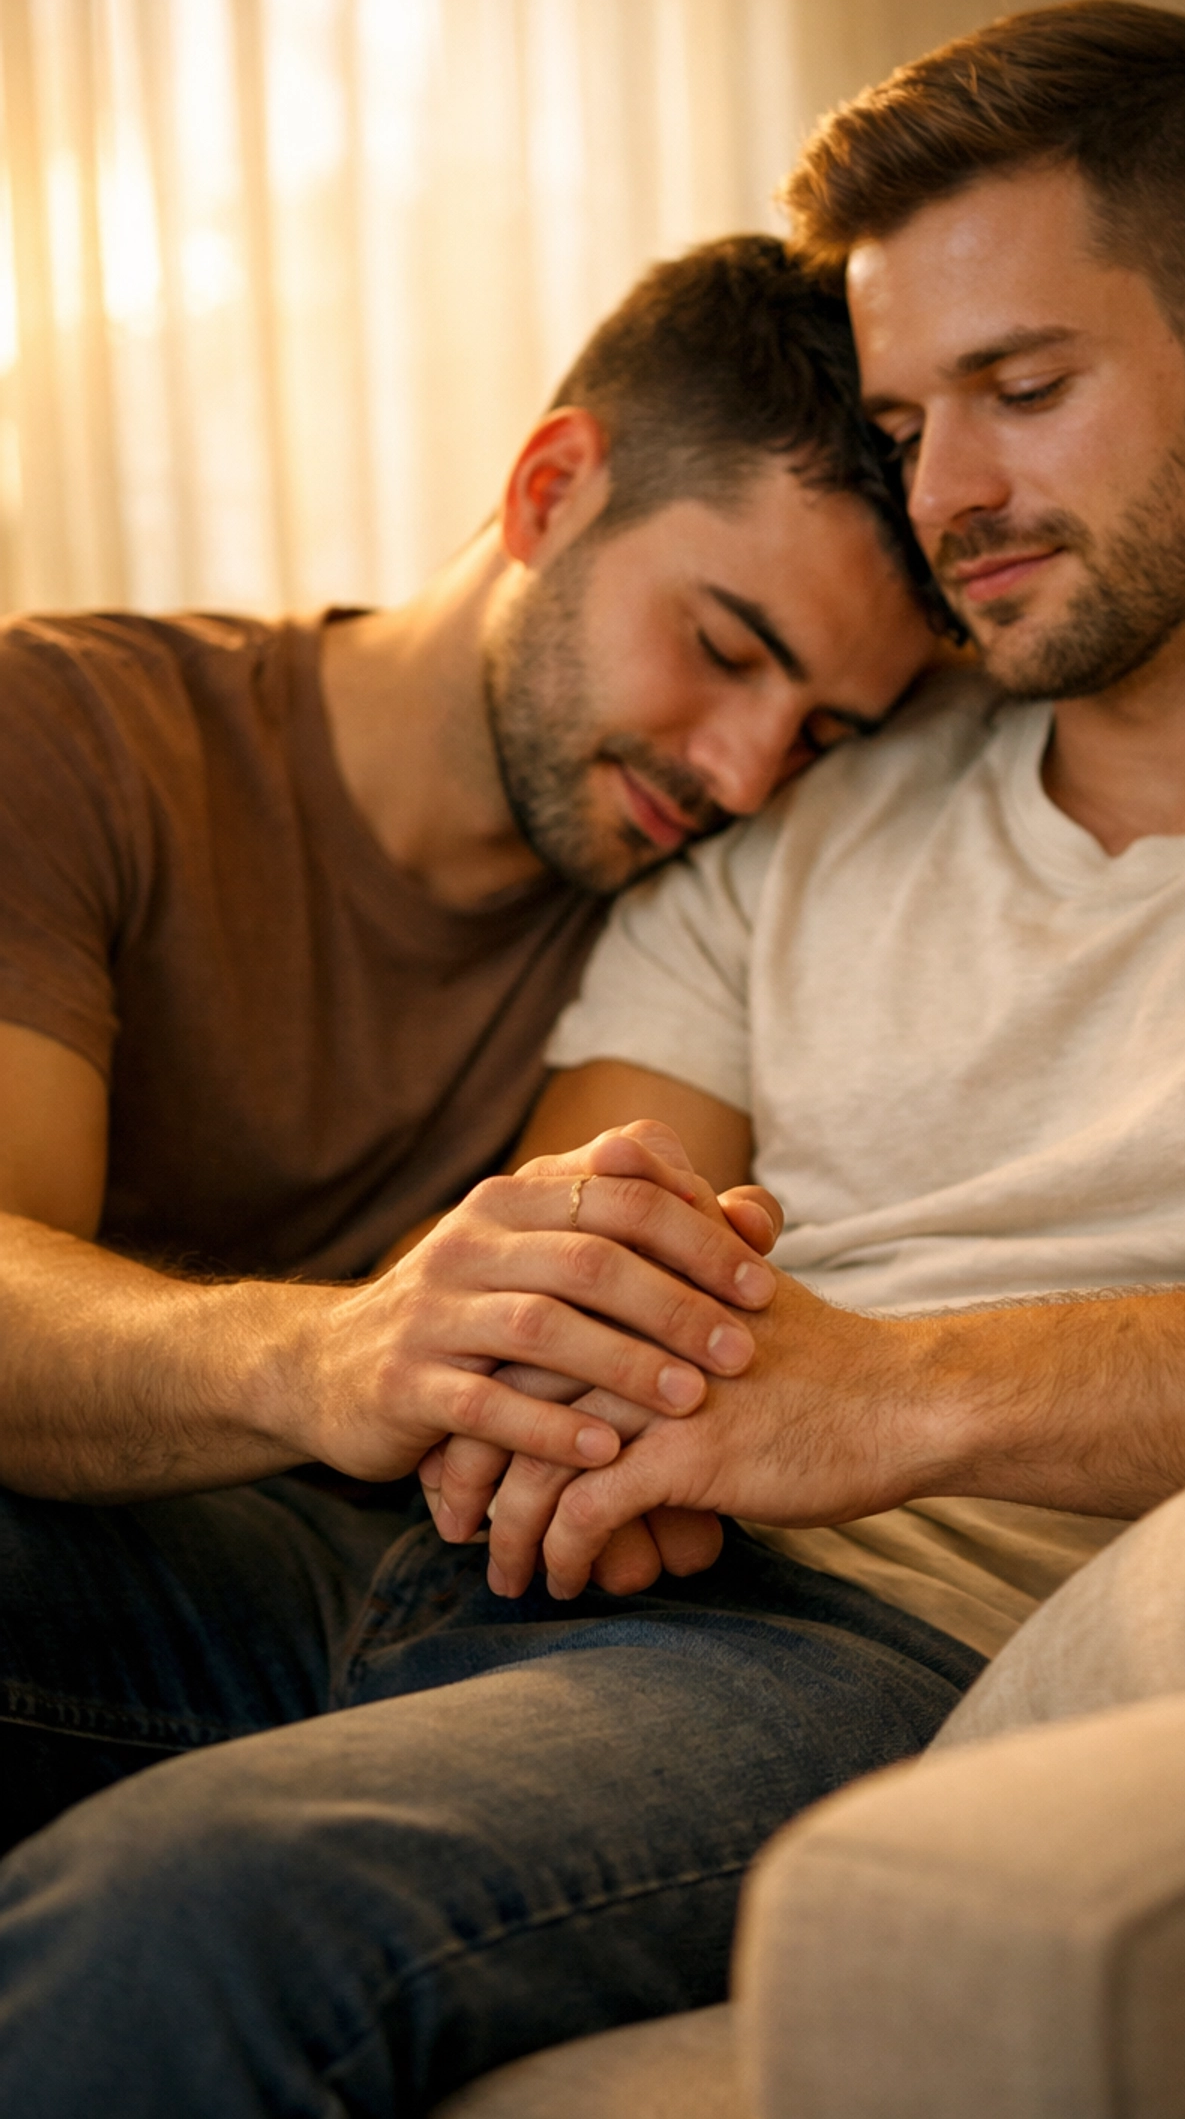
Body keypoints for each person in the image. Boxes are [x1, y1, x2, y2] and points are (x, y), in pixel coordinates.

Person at [4, 0, 1185, 2113]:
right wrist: (584, 1390)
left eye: (1022, 388)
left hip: (853, 1653)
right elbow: (596, 1235)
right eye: (912, 423)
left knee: (185, 1905)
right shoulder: (804, 808)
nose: (954, 497)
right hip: (446, 1550)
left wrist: (891, 1399)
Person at [0, 239, 957, 2112]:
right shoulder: (81, 739)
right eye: (726, 649)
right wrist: (324, 1357)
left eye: (822, 727)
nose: (749, 771)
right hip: (179, 1531)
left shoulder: (697, 908)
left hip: (481, 1601)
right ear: (548, 491)